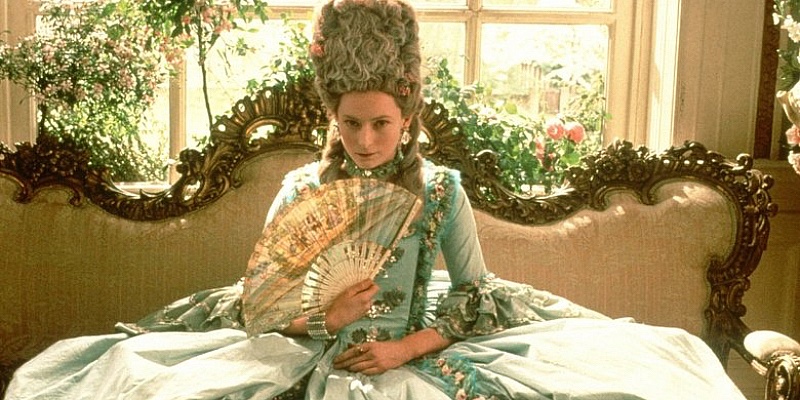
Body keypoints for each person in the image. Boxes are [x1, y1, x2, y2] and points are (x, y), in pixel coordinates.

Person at [5, 0, 747, 399]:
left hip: (416, 351)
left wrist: (404, 347)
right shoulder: (302, 189)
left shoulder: (442, 191)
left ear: (408, 117)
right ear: (333, 116)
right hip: (305, 352)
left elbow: (475, 296)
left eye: (381, 124)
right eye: (350, 123)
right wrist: (324, 318)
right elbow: (263, 301)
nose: (365, 140)